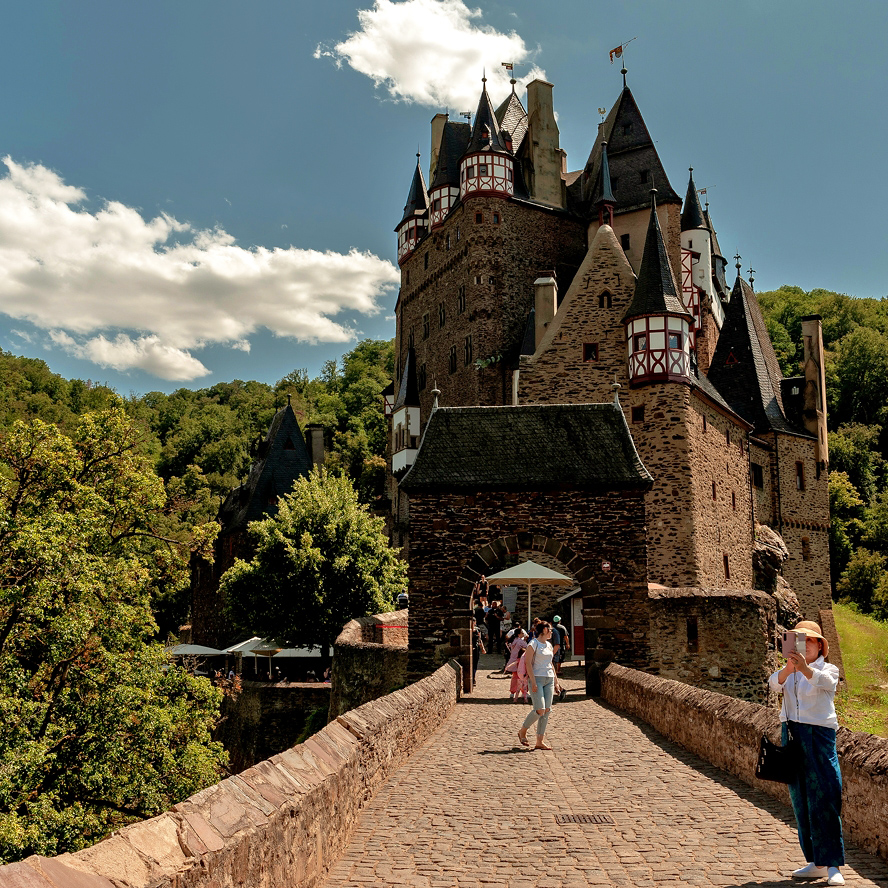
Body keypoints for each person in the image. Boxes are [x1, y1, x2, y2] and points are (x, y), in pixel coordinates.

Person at [768, 621, 844, 886]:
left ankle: (833, 863)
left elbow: (826, 683)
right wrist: (789, 669)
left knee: (826, 795)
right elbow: (773, 685)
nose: (804, 645)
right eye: (799, 640)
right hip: (793, 734)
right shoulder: (790, 671)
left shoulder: (827, 669)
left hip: (820, 734)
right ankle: (815, 861)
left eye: (809, 641)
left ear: (820, 645)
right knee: (800, 799)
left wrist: (804, 668)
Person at [517, 622, 556, 750]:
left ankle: (540, 741)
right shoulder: (533, 644)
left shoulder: (549, 645)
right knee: (540, 709)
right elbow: (528, 663)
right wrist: (533, 682)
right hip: (537, 678)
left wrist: (556, 681)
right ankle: (523, 730)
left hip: (549, 678)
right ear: (544, 630)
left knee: (547, 710)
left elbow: (551, 663)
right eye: (550, 629)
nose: (551, 632)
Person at [471, 617, 486, 687]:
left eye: (474, 622)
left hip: (476, 648)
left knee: (475, 663)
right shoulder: (468, 630)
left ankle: (473, 677)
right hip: (469, 648)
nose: (473, 623)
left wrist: (482, 648)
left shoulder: (477, 630)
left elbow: (479, 640)